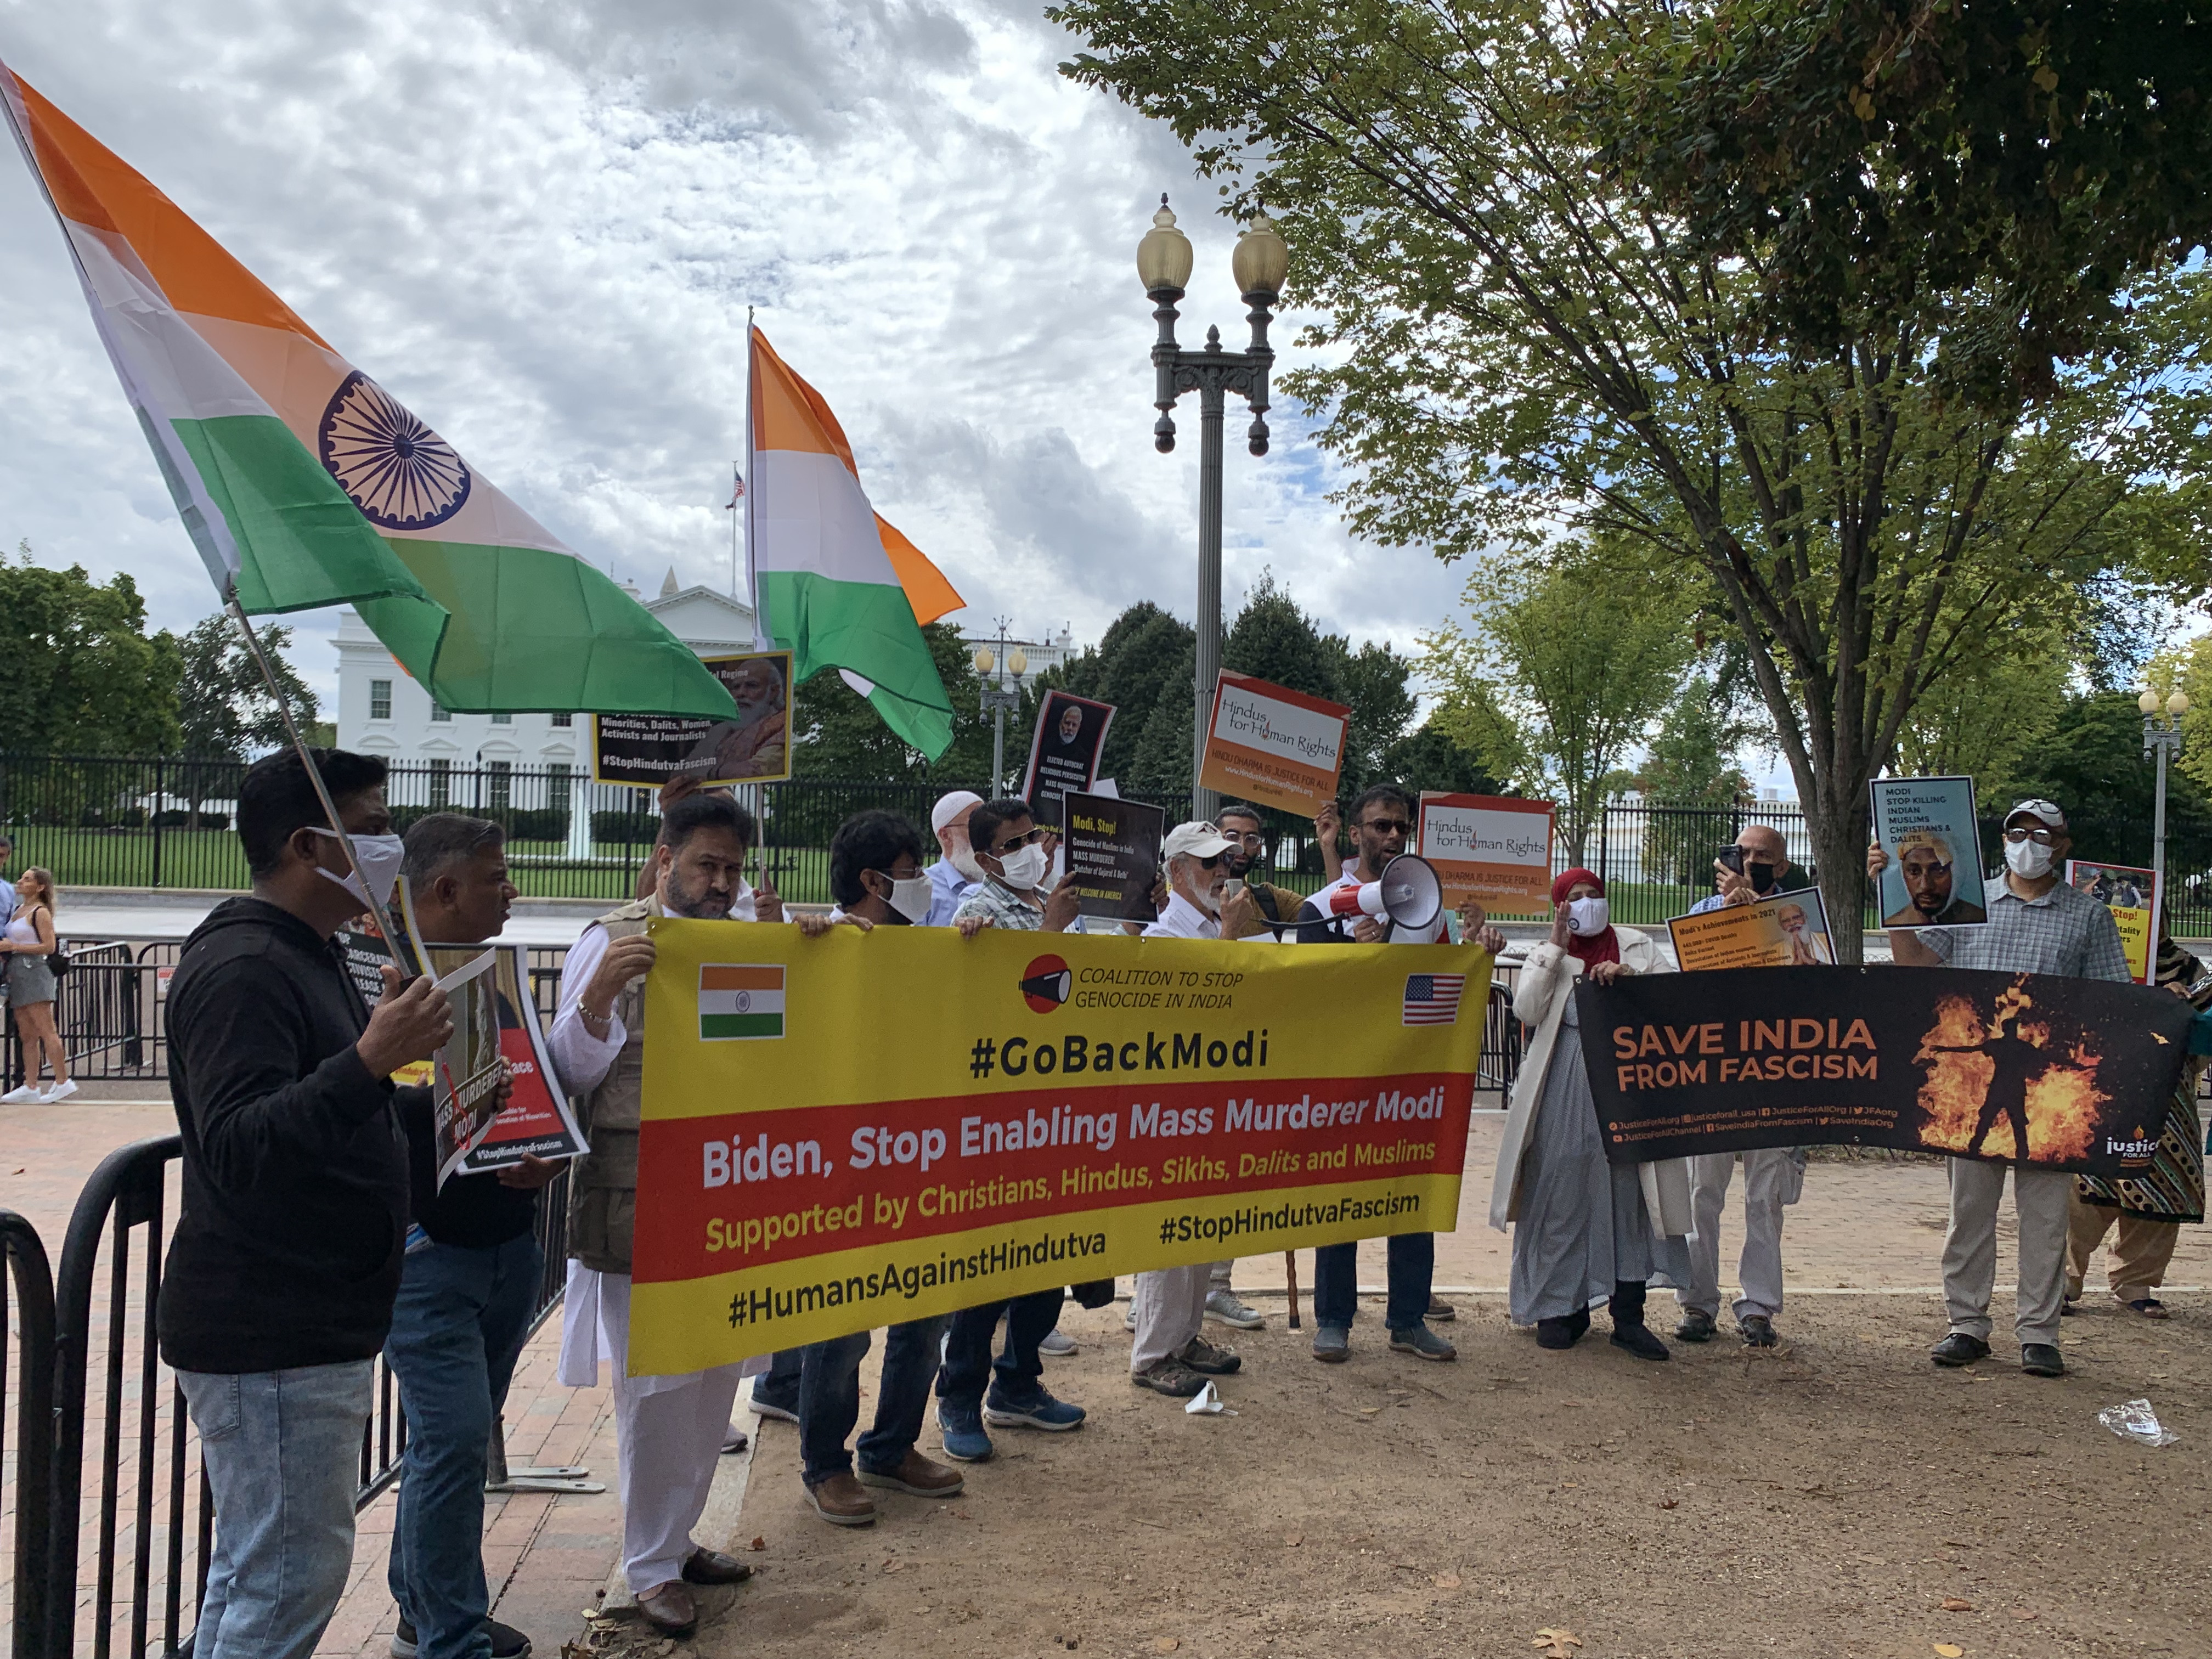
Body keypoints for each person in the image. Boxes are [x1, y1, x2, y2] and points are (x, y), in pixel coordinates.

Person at [161, 748, 458, 1659]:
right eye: (371, 827)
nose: (390, 848)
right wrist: (370, 1060)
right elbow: (243, 1146)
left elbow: (329, 1103)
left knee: (259, 1572)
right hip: (271, 1330)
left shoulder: (312, 952)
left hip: (308, 1322)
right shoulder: (246, 965)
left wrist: (432, 1108)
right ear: (306, 843)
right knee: (288, 1577)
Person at [550, 792, 789, 1635]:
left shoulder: (740, 944)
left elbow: (776, 1057)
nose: (719, 883)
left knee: (712, 1381)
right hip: (639, 1202)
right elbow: (565, 1077)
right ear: (664, 859)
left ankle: (678, 1540)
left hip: (726, 1201)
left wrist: (793, 950)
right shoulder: (607, 943)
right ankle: (650, 1569)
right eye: (705, 866)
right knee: (656, 1390)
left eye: (730, 868)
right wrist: (597, 1002)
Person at [384, 816, 563, 1659]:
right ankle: (451, 1633)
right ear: (445, 890)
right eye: (497, 876)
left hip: (506, 1245)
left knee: (451, 1445)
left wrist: (544, 1155)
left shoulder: (495, 979)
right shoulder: (383, 982)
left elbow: (527, 1093)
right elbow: (378, 1107)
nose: (512, 889)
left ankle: (427, 1603)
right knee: (453, 1441)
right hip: (429, 1252)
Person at [1872, 797, 2130, 1379]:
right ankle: (1966, 1324)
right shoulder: (1972, 904)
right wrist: (1892, 890)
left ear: (2063, 845)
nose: (2030, 843)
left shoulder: (2088, 917)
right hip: (1970, 1090)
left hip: (2052, 1092)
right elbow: (1915, 965)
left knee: (2045, 1216)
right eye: (2019, 832)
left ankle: (2040, 1332)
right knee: (1970, 1210)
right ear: (2004, 839)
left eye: (2043, 835)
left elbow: (2112, 1001)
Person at [777, 810, 964, 1525]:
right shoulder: (817, 946)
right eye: (914, 871)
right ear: (873, 879)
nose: (923, 884)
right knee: (842, 1328)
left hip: (922, 1161)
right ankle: (826, 1464)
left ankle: (890, 1447)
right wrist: (805, 952)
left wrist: (977, 951)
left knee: (925, 1316)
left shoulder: (930, 948)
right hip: (844, 1172)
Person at [1295, 785, 1505, 1363]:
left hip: (1410, 1085)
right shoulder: (1323, 907)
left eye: (1400, 827)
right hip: (1344, 1082)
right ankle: (1334, 1318)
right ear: (1354, 833)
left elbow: (1446, 993)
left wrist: (1474, 952)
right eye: (1380, 825)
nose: (1392, 836)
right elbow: (1306, 1003)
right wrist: (1362, 961)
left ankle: (1408, 1318)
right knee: (1340, 1199)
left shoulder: (1427, 910)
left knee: (1411, 1198)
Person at [935, 798, 1087, 1462]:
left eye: (1035, 835)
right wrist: (1049, 933)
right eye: (1016, 841)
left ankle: (1019, 1385)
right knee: (987, 1273)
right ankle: (959, 1398)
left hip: (1057, 1117)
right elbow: (1000, 1004)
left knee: (1046, 1264)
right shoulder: (978, 911)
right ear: (988, 856)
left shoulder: (1058, 904)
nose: (1032, 846)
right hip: (999, 1124)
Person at [1492, 867, 1693, 1360]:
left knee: (1629, 1196)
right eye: (1574, 898)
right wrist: (1554, 947)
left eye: (1593, 895)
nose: (1586, 904)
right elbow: (1528, 1010)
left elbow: (1674, 1002)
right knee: (1561, 1190)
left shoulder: (1635, 945)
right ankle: (1562, 1308)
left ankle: (1629, 1316)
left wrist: (1630, 981)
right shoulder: (1551, 954)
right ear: (1560, 906)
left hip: (1628, 1084)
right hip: (1564, 1082)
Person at [1125, 822, 1255, 1397]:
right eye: (1208, 864)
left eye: (1224, 862)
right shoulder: (1164, 937)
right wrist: (1230, 940)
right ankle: (1153, 1352)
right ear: (1176, 872)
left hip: (1214, 1104)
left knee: (1202, 1228)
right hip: (1174, 1108)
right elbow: (1204, 1010)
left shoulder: (1214, 926)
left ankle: (1185, 1337)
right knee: (1169, 1235)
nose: (1221, 873)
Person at [1669, 840, 1813, 1349]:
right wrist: (1731, 916)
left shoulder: (1798, 915)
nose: (1746, 860)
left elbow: (1810, 986)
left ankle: (1757, 1307)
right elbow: (1691, 986)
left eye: (1759, 855)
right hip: (1715, 1069)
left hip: (1773, 1070)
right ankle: (1696, 1303)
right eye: (1739, 851)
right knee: (1701, 1193)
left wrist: (1761, 919)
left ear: (1782, 865)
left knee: (1764, 1195)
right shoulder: (1701, 916)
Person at [2063, 934, 2210, 1319]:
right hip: (2095, 1080)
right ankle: (2061, 1279)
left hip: (2166, 1089)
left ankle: (2136, 1280)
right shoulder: (2088, 953)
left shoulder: (2189, 968)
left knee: (2163, 1180)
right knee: (2082, 1181)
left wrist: (2176, 1003)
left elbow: (2204, 1026)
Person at [1, 867, 72, 1102]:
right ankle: (31, 1085)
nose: (20, 882)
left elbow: (48, 946)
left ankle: (62, 1081)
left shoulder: (40, 912)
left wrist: (14, 947)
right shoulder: (19, 909)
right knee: (27, 1033)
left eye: (27, 879)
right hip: (18, 972)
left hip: (34, 970)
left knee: (46, 1029)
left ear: (40, 887)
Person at [682, 655, 788, 781]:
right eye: (736, 687)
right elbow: (683, 773)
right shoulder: (719, 730)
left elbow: (755, 771)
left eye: (752, 685)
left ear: (773, 692)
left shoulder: (781, 724)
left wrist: (711, 773)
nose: (740, 693)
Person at [1879, 829, 1986, 928]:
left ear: (1957, 872)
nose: (1925, 886)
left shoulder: (1980, 919)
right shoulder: (1895, 925)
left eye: (1938, 871)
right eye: (1914, 872)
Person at [924, 791, 986, 927]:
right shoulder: (925, 889)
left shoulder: (1001, 883)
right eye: (975, 826)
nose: (985, 835)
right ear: (945, 835)